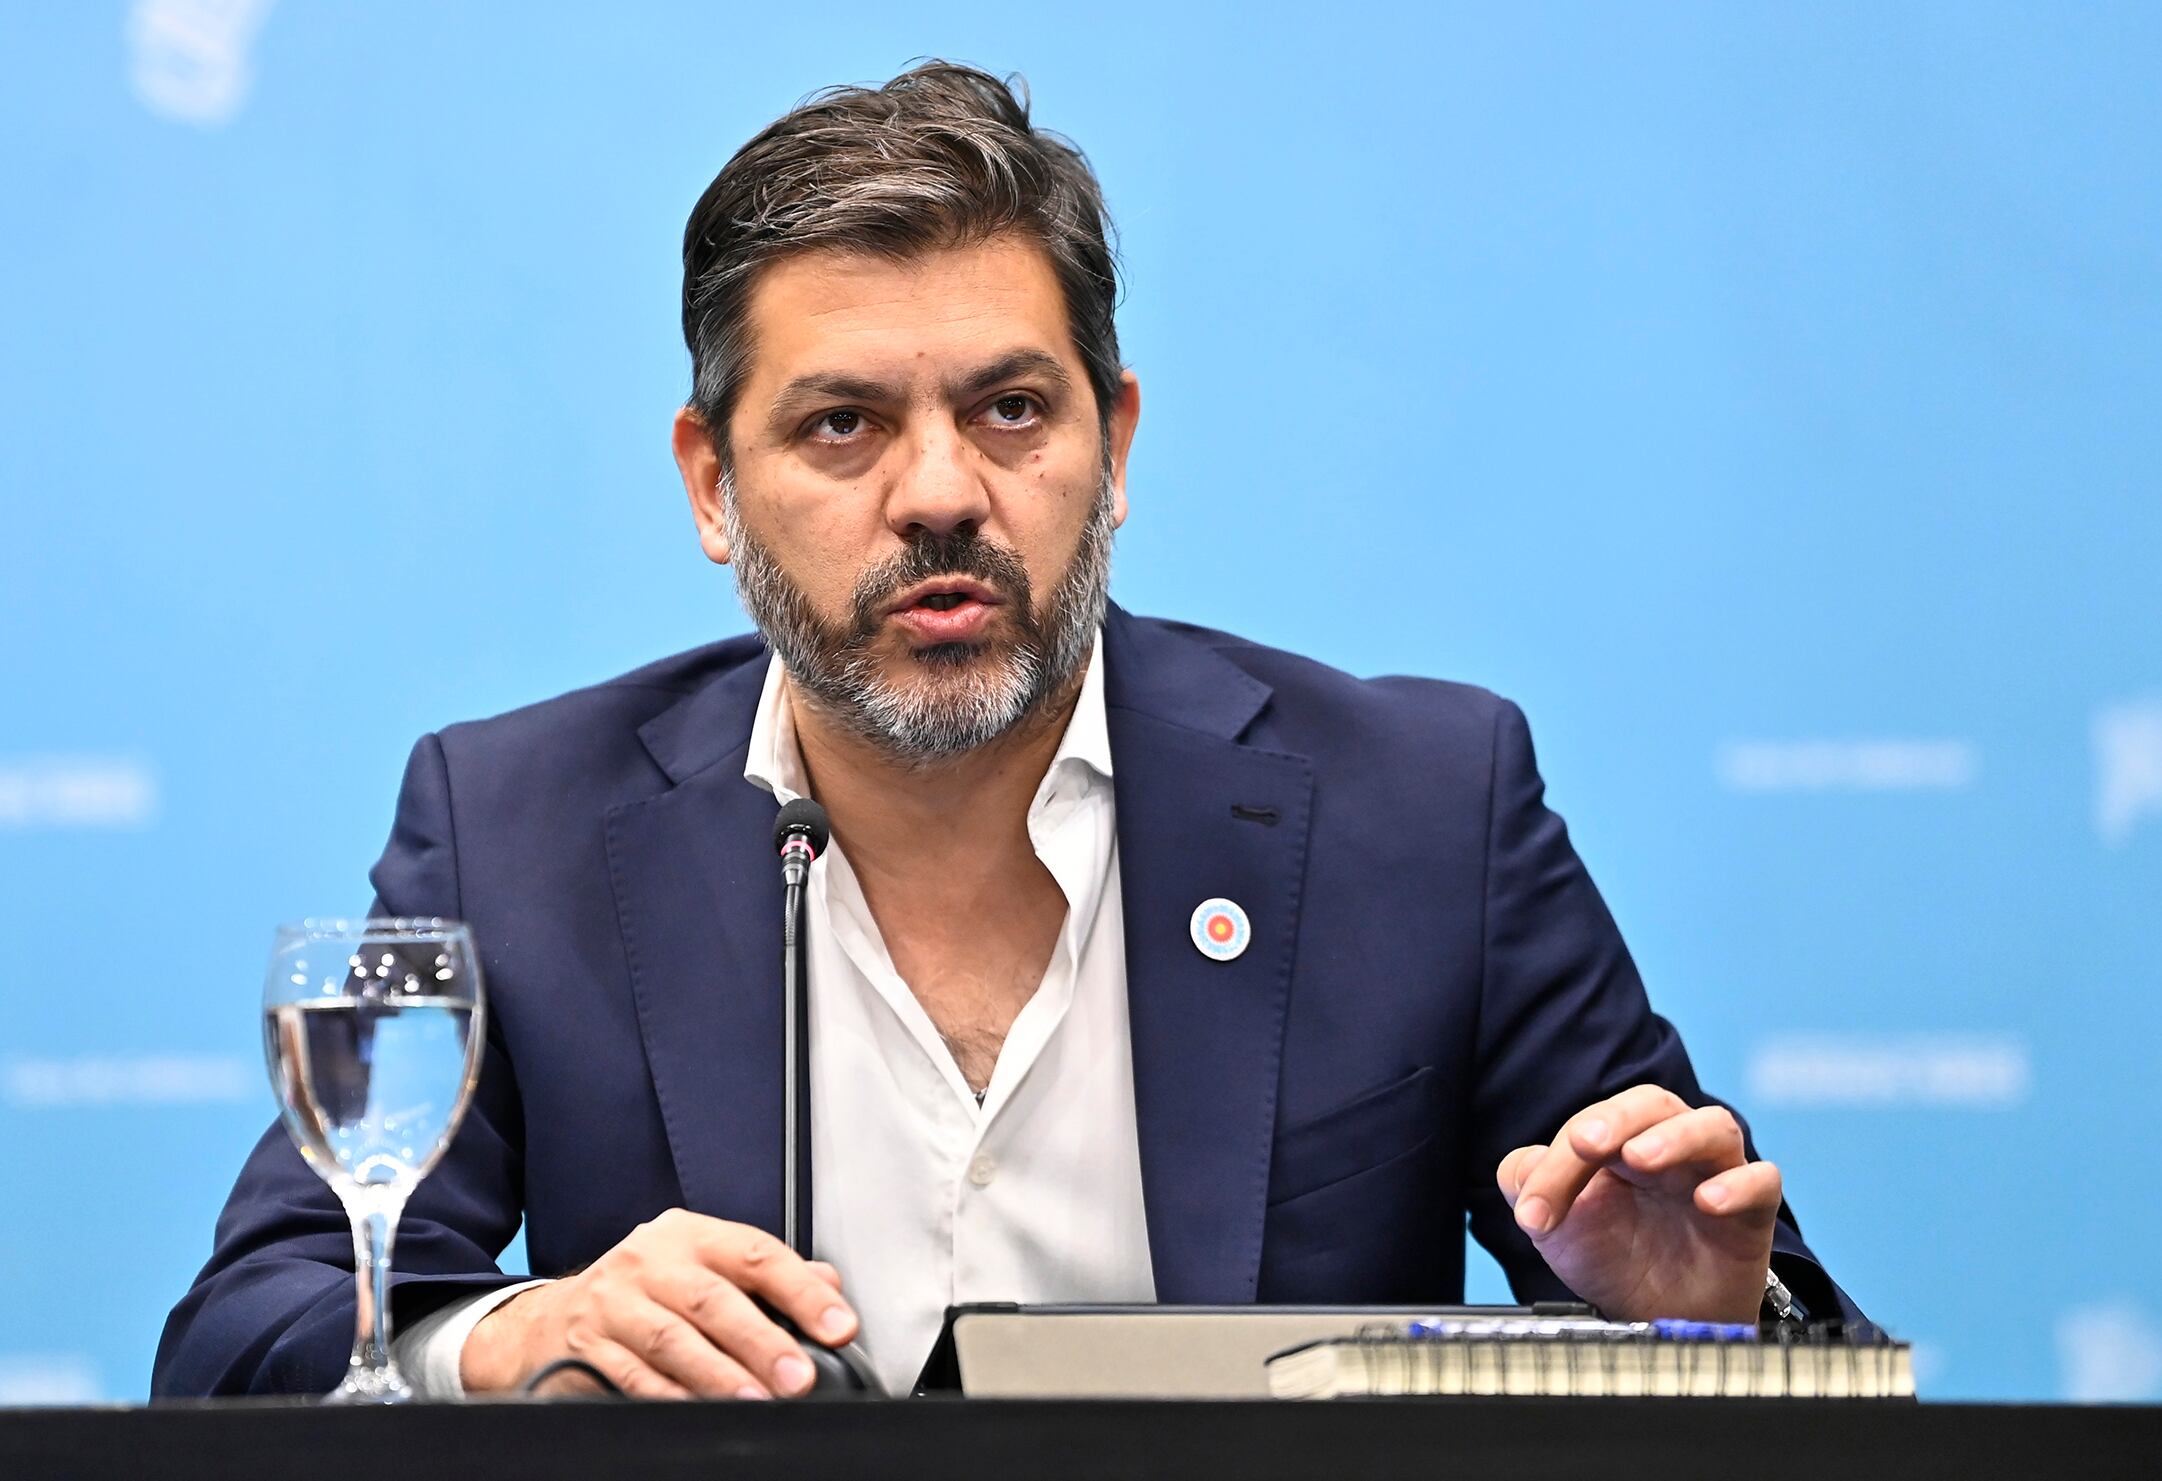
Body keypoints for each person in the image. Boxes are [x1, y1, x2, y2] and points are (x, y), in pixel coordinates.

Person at [154, 61, 1857, 1402]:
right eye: (841, 424)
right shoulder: (514, 821)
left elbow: (1753, 1321)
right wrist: (513, 1333)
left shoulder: (1416, 807)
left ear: (1113, 445)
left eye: (1011, 408)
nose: (941, 493)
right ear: (711, 484)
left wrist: (1712, 1325)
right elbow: (255, 1326)